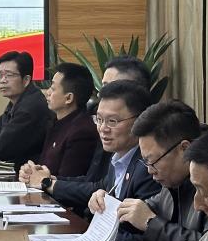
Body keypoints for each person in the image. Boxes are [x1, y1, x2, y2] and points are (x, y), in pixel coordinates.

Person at [29, 80, 160, 219]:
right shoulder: (118, 157)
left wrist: (48, 183)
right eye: (99, 119)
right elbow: (98, 186)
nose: (103, 128)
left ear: (139, 121)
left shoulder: (149, 166)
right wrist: (49, 178)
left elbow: (141, 226)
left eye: (112, 121)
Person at [113, 99, 208, 241]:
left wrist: (150, 223)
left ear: (185, 149)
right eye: (145, 161)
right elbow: (144, 210)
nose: (149, 170)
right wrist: (109, 207)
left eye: (153, 161)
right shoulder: (173, 182)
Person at [16, 62, 98, 179]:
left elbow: (68, 181)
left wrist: (40, 178)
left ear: (68, 98)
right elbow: (44, 166)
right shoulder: (56, 122)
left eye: (53, 88)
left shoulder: (82, 132)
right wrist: (30, 171)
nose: (48, 92)